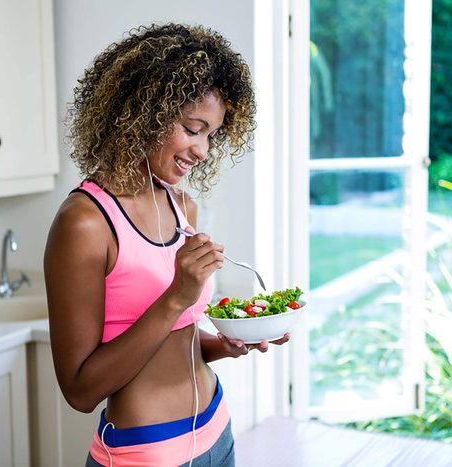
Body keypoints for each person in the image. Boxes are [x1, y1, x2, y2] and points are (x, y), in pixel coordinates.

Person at [43, 23, 289, 467]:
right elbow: (80, 390)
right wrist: (177, 296)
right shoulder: (84, 223)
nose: (203, 150)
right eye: (193, 129)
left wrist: (229, 343)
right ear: (145, 111)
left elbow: (180, 341)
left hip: (218, 430)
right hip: (147, 453)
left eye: (212, 135)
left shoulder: (181, 207)